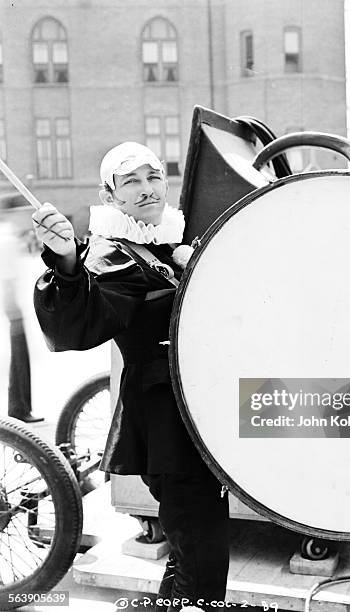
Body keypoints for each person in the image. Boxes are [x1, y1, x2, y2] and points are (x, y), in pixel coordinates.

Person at [32, 142, 229, 611]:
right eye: (131, 182)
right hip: (168, 426)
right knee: (201, 564)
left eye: (153, 177)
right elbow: (85, 320)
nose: (146, 189)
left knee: (191, 556)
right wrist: (65, 263)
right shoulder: (111, 252)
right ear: (110, 196)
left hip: (193, 417)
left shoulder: (159, 240)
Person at [0, 202, 44, 423]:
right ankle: (19, 408)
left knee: (20, 361)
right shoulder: (7, 239)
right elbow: (6, 281)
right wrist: (14, 314)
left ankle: (19, 407)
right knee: (19, 362)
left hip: (13, 310)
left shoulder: (10, 237)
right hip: (13, 311)